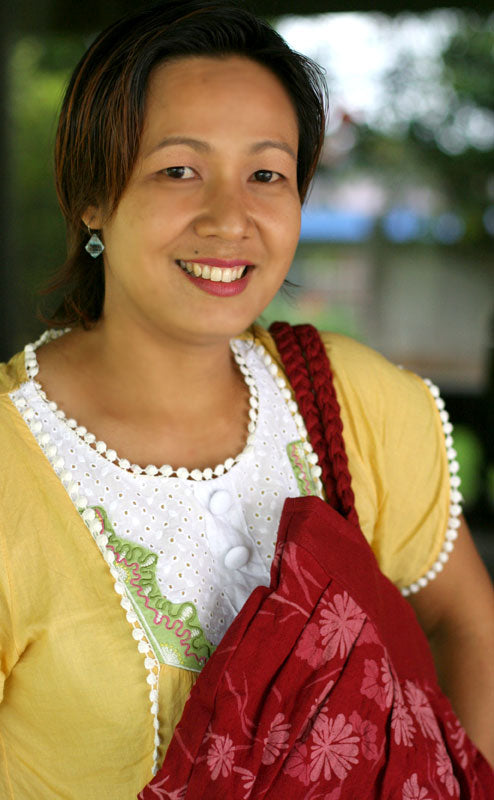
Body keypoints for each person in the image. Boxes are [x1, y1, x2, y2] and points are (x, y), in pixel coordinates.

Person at [0, 1, 493, 798]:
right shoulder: (10, 467)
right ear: (91, 197)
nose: (231, 219)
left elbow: (472, 623)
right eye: (178, 170)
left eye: (267, 173)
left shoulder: (349, 400)